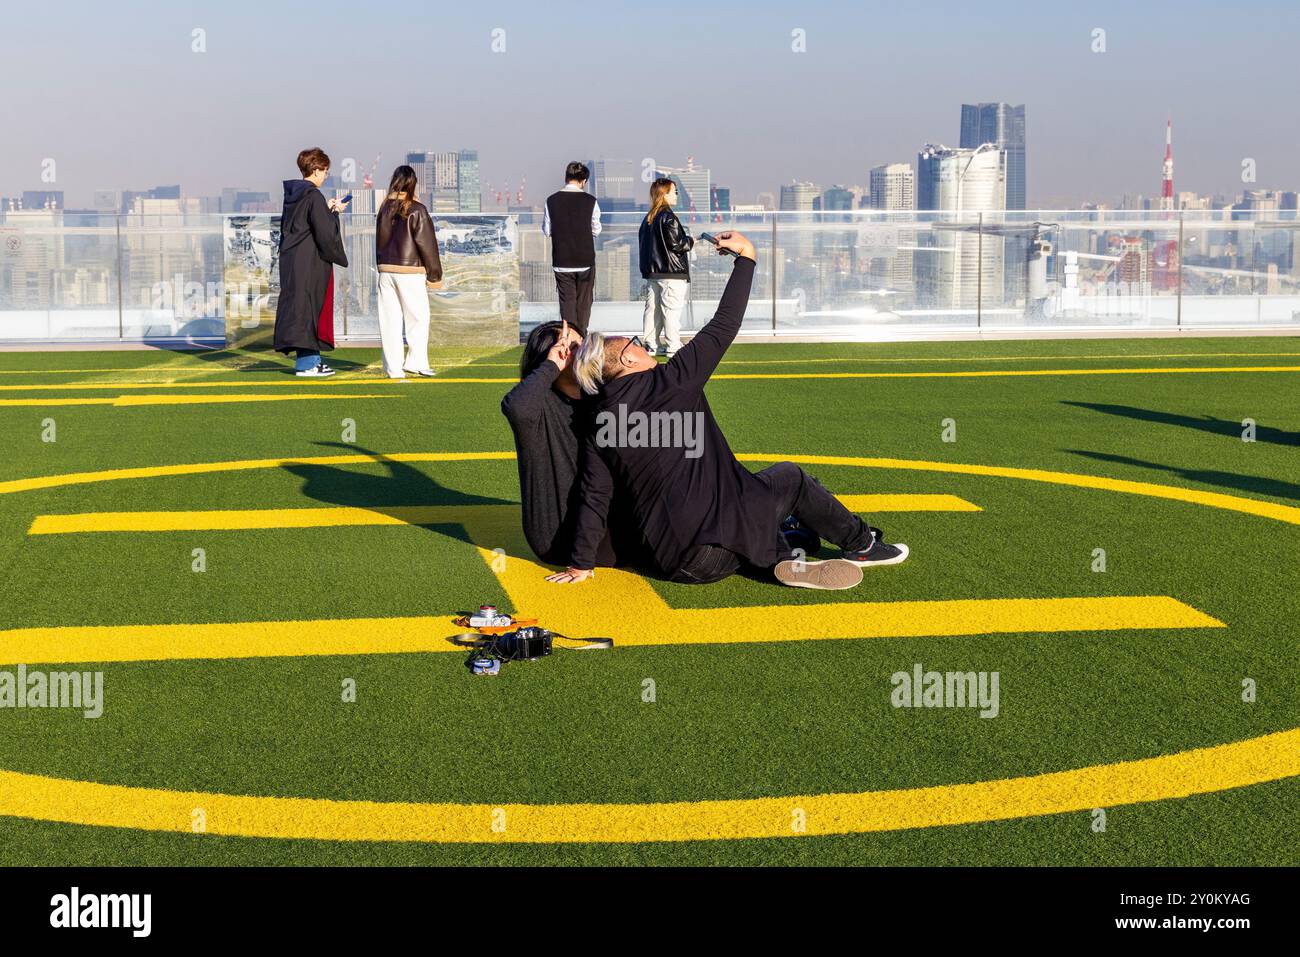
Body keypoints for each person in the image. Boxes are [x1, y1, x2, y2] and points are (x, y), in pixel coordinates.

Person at [550, 231, 909, 591]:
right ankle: (861, 545)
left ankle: (783, 548)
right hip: (718, 548)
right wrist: (746, 257)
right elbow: (724, 324)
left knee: (739, 490)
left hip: (674, 562)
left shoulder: (600, 423)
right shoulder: (672, 380)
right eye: (636, 343)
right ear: (629, 358)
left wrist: (581, 563)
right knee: (789, 478)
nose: (644, 346)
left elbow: (594, 496)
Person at [501, 319, 643, 569]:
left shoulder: (601, 394)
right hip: (561, 536)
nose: (587, 350)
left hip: (604, 517)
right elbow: (516, 408)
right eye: (573, 346)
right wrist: (551, 365)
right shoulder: (539, 406)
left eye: (584, 342)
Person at [273, 147, 349, 377]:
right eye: (325, 170)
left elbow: (301, 226)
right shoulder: (313, 195)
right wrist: (334, 214)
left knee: (301, 309)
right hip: (310, 261)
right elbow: (324, 233)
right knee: (309, 309)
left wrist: (327, 211)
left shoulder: (294, 195)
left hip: (293, 260)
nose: (326, 175)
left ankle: (311, 360)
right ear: (316, 170)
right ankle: (307, 364)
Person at [375, 165, 443, 378]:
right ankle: (416, 362)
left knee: (389, 322)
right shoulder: (417, 209)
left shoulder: (384, 208)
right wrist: (434, 276)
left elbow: (379, 241)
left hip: (386, 271)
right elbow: (427, 245)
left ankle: (394, 369)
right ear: (413, 184)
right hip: (410, 271)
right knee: (418, 319)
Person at [542, 162, 601, 335]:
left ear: (566, 178)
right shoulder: (590, 201)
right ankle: (581, 337)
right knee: (584, 303)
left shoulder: (551, 200)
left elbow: (547, 230)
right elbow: (596, 230)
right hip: (585, 260)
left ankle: (569, 338)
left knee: (567, 303)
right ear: (583, 181)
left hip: (562, 260)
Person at [638, 177, 693, 357]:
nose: (676, 195)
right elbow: (678, 245)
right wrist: (692, 241)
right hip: (672, 273)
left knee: (653, 310)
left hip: (653, 273)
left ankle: (650, 344)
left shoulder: (648, 218)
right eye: (674, 191)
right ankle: (673, 345)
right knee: (671, 311)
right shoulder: (668, 217)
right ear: (665, 194)